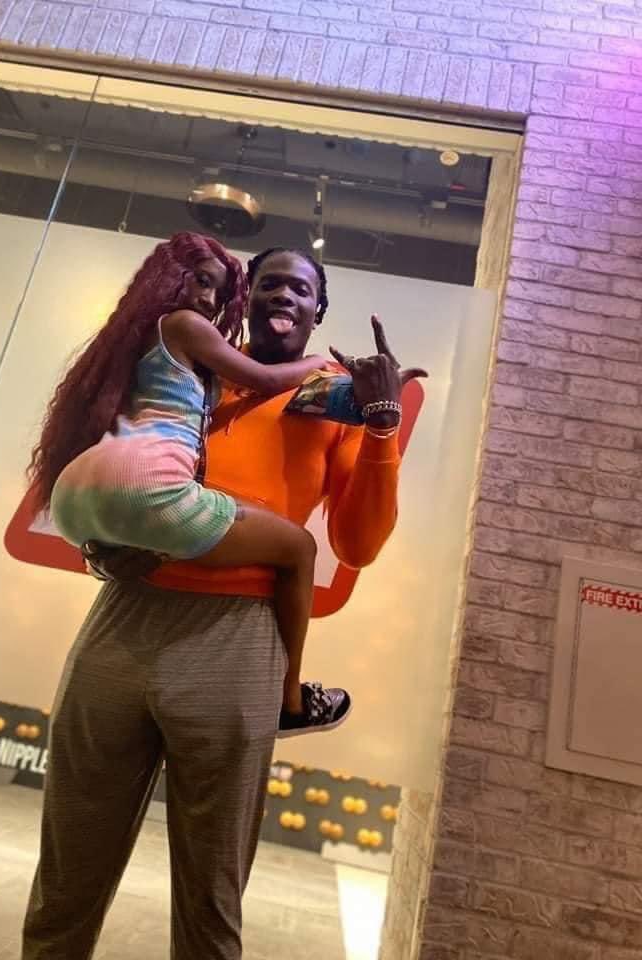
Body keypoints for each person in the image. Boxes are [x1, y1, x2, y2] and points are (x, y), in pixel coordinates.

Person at [21, 245, 426, 960]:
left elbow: (357, 543)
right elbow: (117, 475)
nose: (285, 297)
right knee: (66, 876)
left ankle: (288, 698)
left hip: (238, 638)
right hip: (125, 617)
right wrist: (99, 548)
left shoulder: (335, 399)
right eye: (270, 283)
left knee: (211, 900)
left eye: (301, 289)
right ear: (246, 297)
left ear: (318, 310)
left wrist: (382, 427)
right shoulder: (191, 370)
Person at [29, 232, 348, 735]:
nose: (207, 299)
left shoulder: (146, 343)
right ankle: (290, 703)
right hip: (148, 501)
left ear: (318, 310)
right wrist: (320, 366)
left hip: (77, 493)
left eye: (218, 292)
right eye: (199, 281)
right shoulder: (190, 331)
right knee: (299, 548)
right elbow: (265, 381)